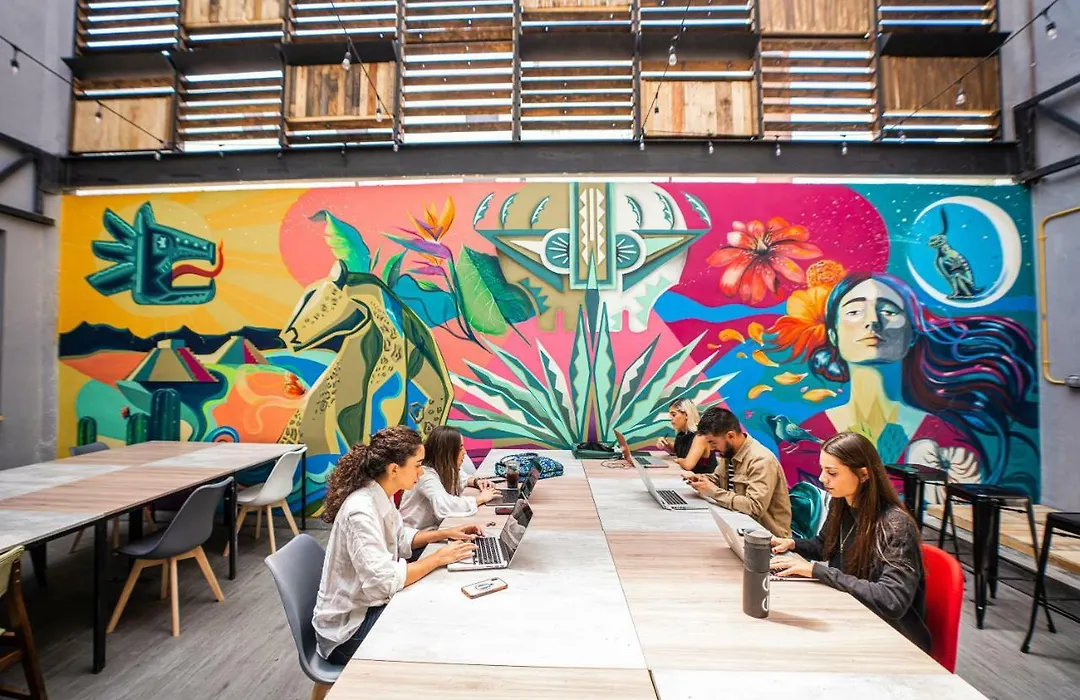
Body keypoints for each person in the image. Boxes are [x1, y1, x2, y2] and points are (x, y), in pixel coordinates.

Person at [771, 272, 1037, 495]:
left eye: (888, 310)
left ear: (913, 334)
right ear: (834, 334)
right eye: (854, 311)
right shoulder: (807, 442)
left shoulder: (945, 438)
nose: (873, 321)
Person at [313, 426, 479, 664]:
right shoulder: (360, 511)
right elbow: (382, 583)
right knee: (436, 624)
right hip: (347, 633)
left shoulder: (381, 493)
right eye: (418, 465)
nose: (421, 472)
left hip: (366, 606)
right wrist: (439, 557)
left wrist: (444, 533)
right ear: (393, 469)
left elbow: (400, 539)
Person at [771, 432, 932, 654]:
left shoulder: (896, 526)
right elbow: (825, 545)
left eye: (832, 472)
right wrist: (792, 544)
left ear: (863, 474)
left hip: (894, 638)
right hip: (855, 616)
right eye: (822, 469)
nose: (822, 478)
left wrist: (817, 571)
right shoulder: (842, 503)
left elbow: (891, 600)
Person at [685, 407, 792, 537]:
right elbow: (719, 479)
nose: (711, 448)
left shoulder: (761, 460)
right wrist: (701, 479)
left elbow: (754, 507)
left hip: (766, 538)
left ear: (730, 436)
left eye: (713, 442)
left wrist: (713, 492)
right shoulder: (729, 452)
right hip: (738, 525)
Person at [400, 425, 499, 532]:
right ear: (447, 452)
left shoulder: (443, 468)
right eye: (460, 448)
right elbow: (445, 505)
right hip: (416, 536)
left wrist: (476, 481)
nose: (465, 452)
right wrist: (481, 498)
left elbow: (460, 477)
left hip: (432, 530)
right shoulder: (425, 476)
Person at [656, 399, 717, 474]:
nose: (670, 418)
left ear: (686, 415)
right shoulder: (683, 433)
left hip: (704, 479)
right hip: (691, 477)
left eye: (673, 415)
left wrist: (679, 460)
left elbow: (688, 465)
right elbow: (679, 450)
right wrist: (666, 443)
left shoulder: (700, 436)